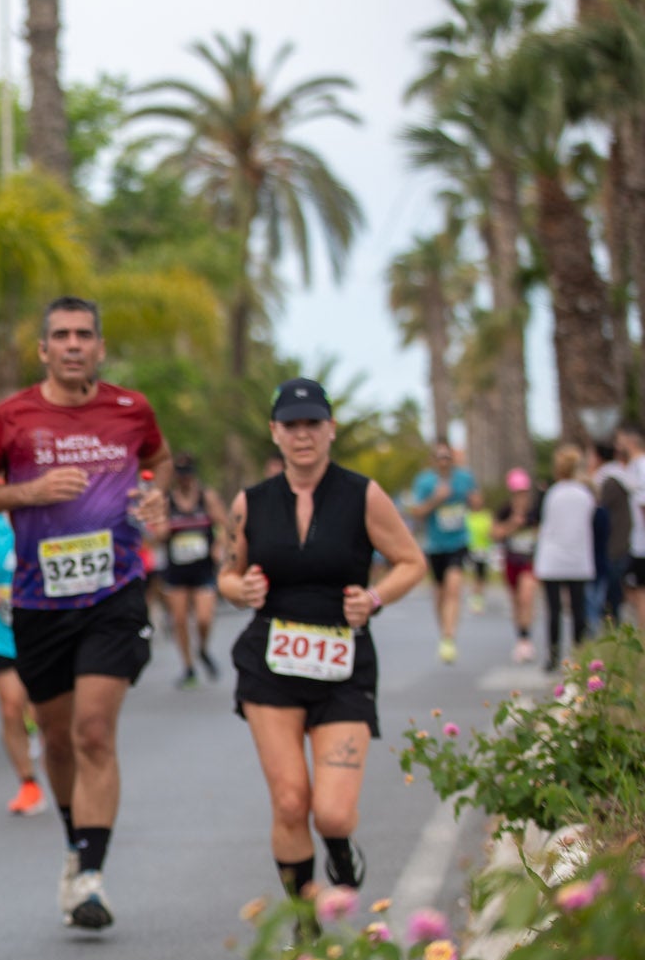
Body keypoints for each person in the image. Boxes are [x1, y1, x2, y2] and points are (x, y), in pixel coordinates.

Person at [0, 295, 170, 932]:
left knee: (94, 731)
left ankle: (91, 874)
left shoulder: (132, 411)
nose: (74, 344)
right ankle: (77, 843)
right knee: (54, 736)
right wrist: (29, 492)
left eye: (85, 335)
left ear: (100, 348)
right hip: (37, 600)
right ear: (44, 350)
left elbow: (155, 465)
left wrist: (151, 502)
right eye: (61, 335)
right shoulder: (11, 416)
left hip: (115, 593)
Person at [216, 378, 424, 910]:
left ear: (330, 430)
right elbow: (226, 576)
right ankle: (304, 924)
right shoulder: (251, 503)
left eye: (313, 424)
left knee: (330, 811)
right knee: (289, 802)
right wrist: (243, 589)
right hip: (271, 662)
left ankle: (337, 844)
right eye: (292, 425)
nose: (303, 435)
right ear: (275, 433)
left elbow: (412, 562)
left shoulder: (363, 494)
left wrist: (374, 599)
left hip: (343, 665)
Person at [0, 510, 47, 815]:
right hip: (5, 633)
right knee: (10, 706)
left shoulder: (48, 515)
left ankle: (65, 774)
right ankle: (28, 784)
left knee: (45, 711)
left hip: (48, 632)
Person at [403, 443, 476, 664]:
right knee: (440, 592)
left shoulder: (464, 478)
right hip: (435, 545)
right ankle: (444, 630)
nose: (444, 461)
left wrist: (473, 500)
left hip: (459, 541)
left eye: (448, 457)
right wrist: (437, 498)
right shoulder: (425, 482)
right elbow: (416, 512)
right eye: (440, 457)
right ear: (433, 460)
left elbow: (476, 503)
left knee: (454, 587)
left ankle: (449, 635)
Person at [161, 453, 226, 689]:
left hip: (203, 569)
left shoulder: (206, 498)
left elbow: (224, 525)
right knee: (179, 620)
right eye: (180, 475)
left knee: (204, 618)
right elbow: (157, 536)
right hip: (176, 570)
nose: (184, 480)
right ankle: (188, 667)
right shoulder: (167, 501)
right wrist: (162, 526)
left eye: (187, 475)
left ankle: (203, 649)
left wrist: (219, 547)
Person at [533, 445, 598, 671]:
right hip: (578, 557)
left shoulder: (553, 493)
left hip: (553, 558)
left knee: (554, 611)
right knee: (578, 609)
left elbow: (546, 525)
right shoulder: (584, 494)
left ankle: (553, 655)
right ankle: (580, 655)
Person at [494, 468, 542, 664]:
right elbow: (495, 533)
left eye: (523, 493)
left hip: (529, 562)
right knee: (516, 601)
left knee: (526, 597)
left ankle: (527, 639)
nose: (521, 497)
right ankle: (521, 638)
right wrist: (513, 523)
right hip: (511, 561)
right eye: (517, 493)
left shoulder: (535, 511)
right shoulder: (504, 511)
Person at [590, 441, 633, 628]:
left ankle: (611, 631)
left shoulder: (608, 482)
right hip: (619, 545)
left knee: (610, 597)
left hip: (613, 547)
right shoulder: (619, 478)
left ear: (598, 457)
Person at [618, 421, 645, 623]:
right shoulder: (632, 467)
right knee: (633, 591)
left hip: (641, 544)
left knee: (640, 591)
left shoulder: (642, 466)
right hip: (634, 543)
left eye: (620, 439)